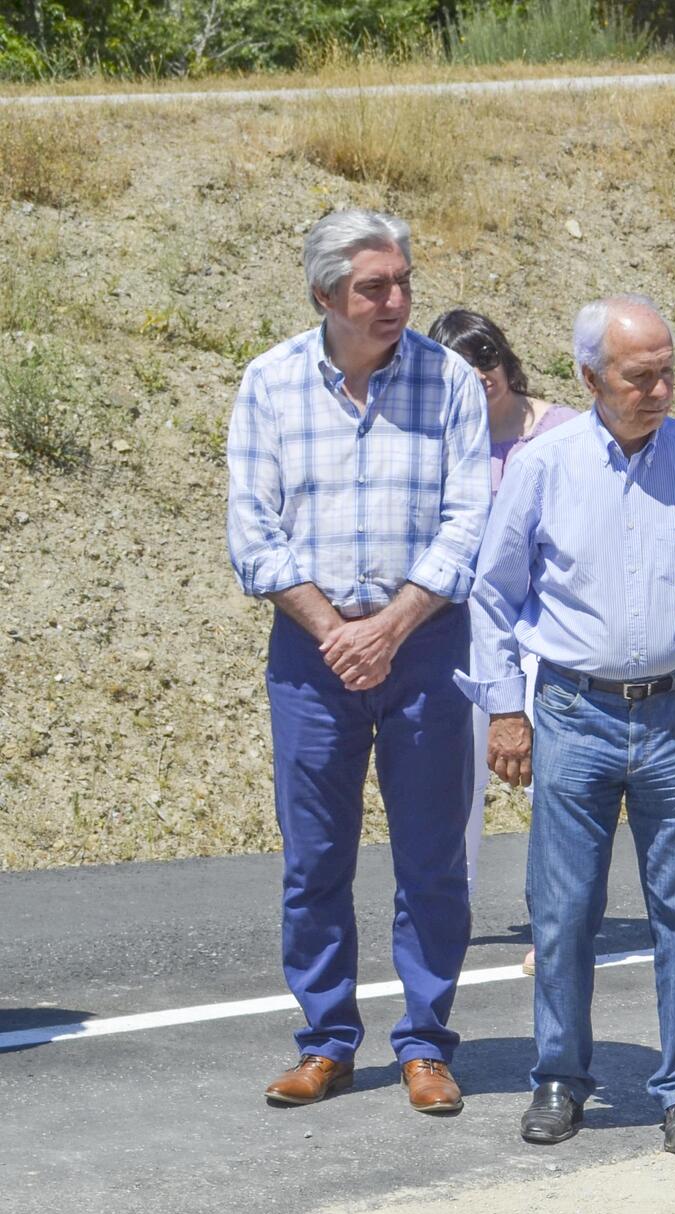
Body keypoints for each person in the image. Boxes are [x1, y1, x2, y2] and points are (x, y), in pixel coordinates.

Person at [464, 295, 675, 1156]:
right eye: (640, 376)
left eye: (669, 371)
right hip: (572, 709)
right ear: (588, 377)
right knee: (563, 912)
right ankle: (561, 1078)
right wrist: (503, 706)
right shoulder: (545, 466)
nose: (661, 389)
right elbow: (495, 592)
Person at [224, 208, 489, 1115]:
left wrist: (393, 624)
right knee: (315, 859)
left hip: (424, 645)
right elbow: (252, 535)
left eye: (405, 280)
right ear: (324, 295)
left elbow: (469, 520)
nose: (398, 300)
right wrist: (334, 625)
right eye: (376, 286)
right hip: (311, 652)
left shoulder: (449, 381)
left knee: (431, 859)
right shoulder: (269, 385)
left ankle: (425, 1043)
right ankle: (328, 1039)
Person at [428, 308, 579, 979]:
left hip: (548, 631)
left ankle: (555, 926)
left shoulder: (563, 432)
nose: (480, 374)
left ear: (507, 358)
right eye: (461, 365)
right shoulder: (440, 444)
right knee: (453, 788)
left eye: (486, 356)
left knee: (555, 788)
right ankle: (445, 921)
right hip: (461, 632)